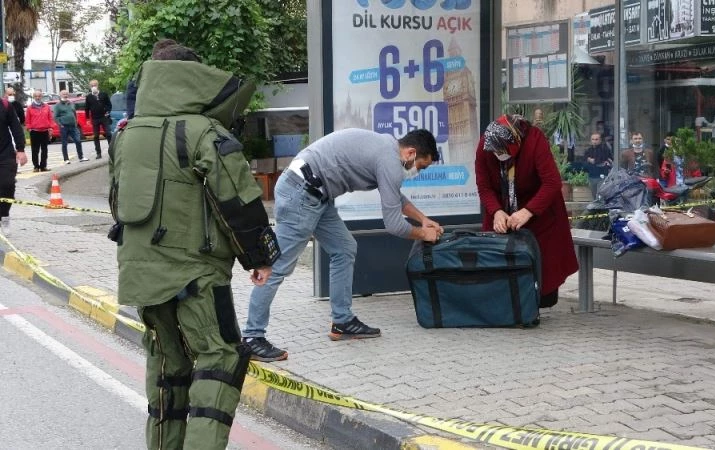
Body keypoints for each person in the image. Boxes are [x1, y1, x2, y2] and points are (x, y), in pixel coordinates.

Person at [110, 44, 279, 450]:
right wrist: (260, 256)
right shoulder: (204, 132)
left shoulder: (127, 132)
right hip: (196, 274)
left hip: (139, 274)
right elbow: (236, 200)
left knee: (169, 366)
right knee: (220, 358)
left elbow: (117, 204)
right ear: (191, 78)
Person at [242, 128, 444, 361]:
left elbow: (394, 197)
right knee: (275, 267)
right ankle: (251, 338)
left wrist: (422, 219)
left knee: (344, 248)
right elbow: (394, 225)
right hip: (302, 194)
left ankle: (342, 321)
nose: (418, 172)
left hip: (315, 193)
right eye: (422, 166)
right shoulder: (390, 162)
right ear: (410, 153)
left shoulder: (387, 148)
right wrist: (424, 235)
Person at [475, 114, 578, 309]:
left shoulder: (534, 140)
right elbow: (484, 187)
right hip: (502, 211)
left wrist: (527, 211)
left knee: (544, 278)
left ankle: (537, 301)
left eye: (504, 152)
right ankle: (506, 305)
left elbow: (552, 183)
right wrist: (496, 211)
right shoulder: (486, 144)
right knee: (497, 265)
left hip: (540, 210)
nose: (499, 156)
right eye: (496, 153)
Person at [0, 91, 27, 236]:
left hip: (5, 154)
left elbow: (16, 127)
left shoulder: (5, 105)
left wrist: (20, 149)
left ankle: (4, 216)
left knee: (7, 185)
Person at [53, 91, 87, 163]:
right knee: (64, 143)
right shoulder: (57, 105)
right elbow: (55, 117)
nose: (65, 95)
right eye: (63, 94)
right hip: (64, 126)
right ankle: (66, 159)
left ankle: (81, 157)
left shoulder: (71, 103)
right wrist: (60, 124)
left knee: (78, 140)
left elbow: (74, 113)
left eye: (66, 94)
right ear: (60, 95)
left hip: (73, 126)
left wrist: (75, 122)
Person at [24, 89, 54, 171]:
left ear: (42, 97)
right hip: (34, 131)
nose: (38, 97)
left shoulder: (47, 107)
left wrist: (51, 127)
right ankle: (36, 166)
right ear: (33, 97)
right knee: (35, 150)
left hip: (45, 131)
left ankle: (43, 166)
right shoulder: (30, 108)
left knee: (45, 150)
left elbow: (50, 118)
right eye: (36, 96)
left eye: (39, 96)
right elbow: (27, 120)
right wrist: (29, 128)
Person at [85, 79, 112, 159]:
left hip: (104, 117)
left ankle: (111, 151)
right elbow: (87, 108)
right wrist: (87, 118)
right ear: (90, 87)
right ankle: (98, 153)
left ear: (98, 85)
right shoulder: (89, 96)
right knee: (96, 136)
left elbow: (109, 104)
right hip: (95, 118)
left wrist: (107, 111)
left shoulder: (103, 94)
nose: (94, 87)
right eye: (92, 85)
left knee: (108, 133)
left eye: (95, 85)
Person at [583, 132, 613, 199]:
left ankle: (601, 207)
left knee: (600, 194)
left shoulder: (604, 149)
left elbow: (601, 160)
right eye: (593, 139)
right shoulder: (588, 150)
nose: (594, 141)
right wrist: (589, 160)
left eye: (596, 139)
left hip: (602, 175)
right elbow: (584, 162)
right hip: (592, 175)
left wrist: (590, 159)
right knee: (594, 194)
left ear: (600, 140)